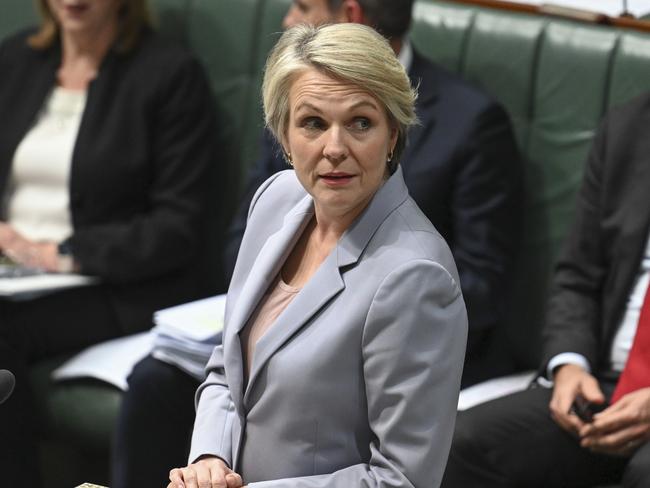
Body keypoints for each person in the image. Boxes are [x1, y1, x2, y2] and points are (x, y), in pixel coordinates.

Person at [168, 22, 467, 488]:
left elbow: (402, 479)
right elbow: (226, 370)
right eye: (312, 123)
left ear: (393, 134)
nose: (334, 148)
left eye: (360, 123)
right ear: (284, 137)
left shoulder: (416, 274)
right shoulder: (275, 200)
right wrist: (210, 458)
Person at [0, 0, 216, 486]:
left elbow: (176, 226)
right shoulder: (14, 61)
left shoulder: (168, 74)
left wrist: (59, 253)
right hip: (12, 273)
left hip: (112, 284)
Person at [441, 93, 650, 488]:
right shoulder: (630, 126)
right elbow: (578, 274)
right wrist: (570, 364)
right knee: (463, 442)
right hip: (605, 383)